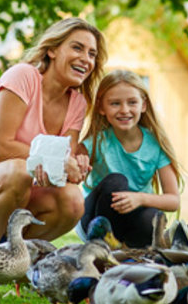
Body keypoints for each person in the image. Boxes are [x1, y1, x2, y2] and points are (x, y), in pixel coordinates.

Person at [0, 18, 107, 244]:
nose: (85, 59)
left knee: (73, 200)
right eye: (77, 48)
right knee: (19, 170)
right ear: (53, 50)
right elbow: (1, 148)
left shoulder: (77, 103)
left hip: (18, 202)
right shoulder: (23, 76)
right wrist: (57, 163)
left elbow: (61, 167)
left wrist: (76, 164)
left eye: (92, 54)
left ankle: (17, 257)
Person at [77, 69, 182, 248]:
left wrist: (140, 198)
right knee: (116, 181)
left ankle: (127, 252)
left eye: (132, 102)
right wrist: (76, 162)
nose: (124, 110)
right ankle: (101, 246)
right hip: (96, 219)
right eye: (115, 103)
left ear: (143, 105)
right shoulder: (95, 142)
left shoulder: (155, 144)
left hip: (133, 215)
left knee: (153, 218)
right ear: (102, 107)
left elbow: (173, 200)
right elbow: (71, 168)